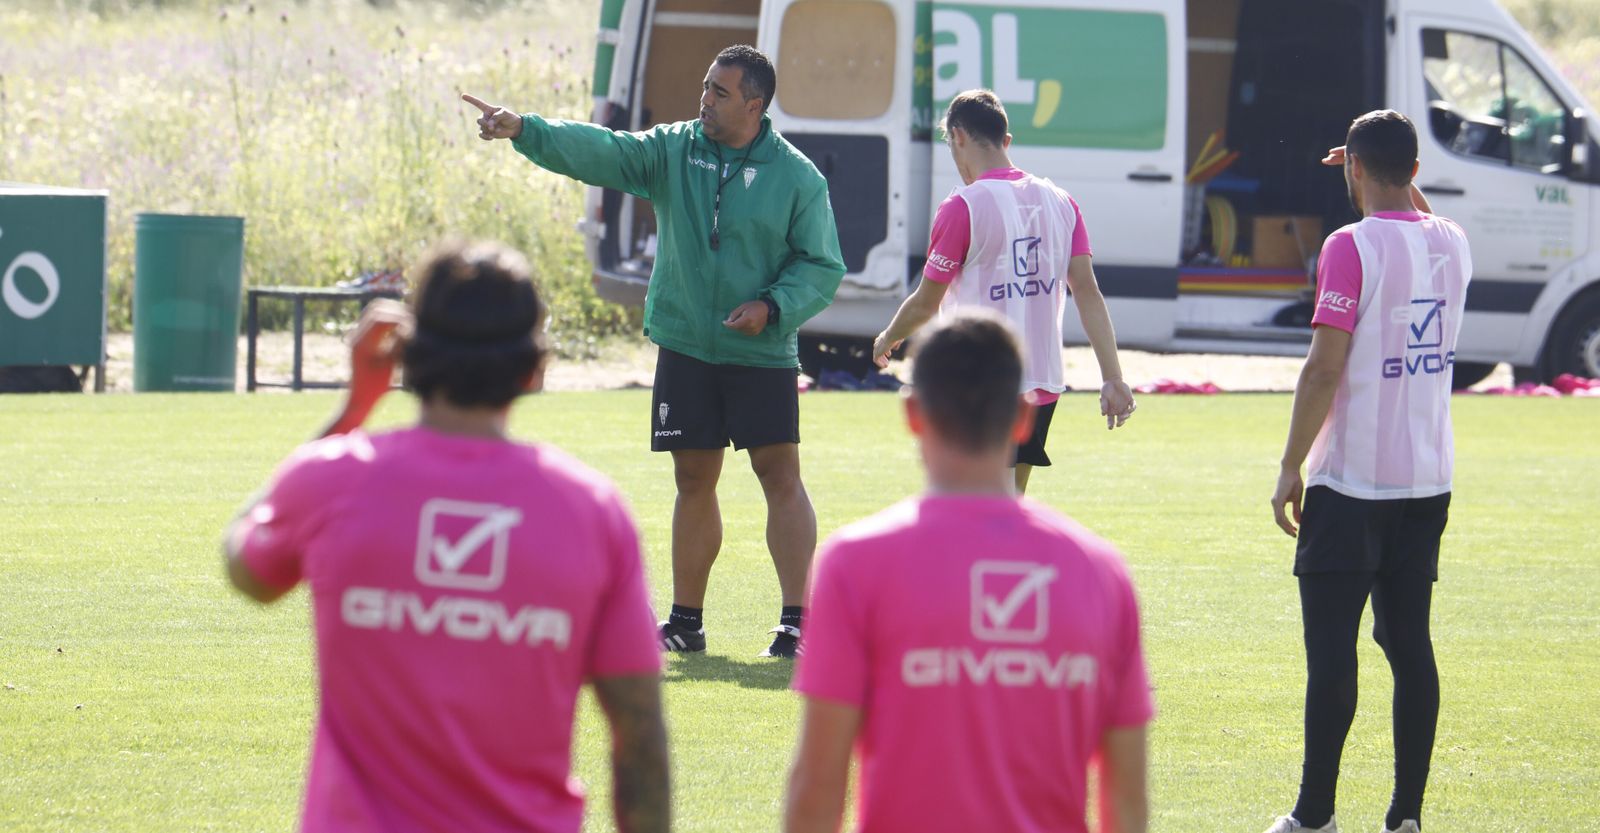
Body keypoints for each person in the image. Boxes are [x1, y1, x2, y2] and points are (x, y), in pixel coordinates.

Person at [223, 240, 669, 833]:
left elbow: (246, 568)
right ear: (535, 368)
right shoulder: (591, 511)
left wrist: (353, 411)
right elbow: (639, 737)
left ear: (406, 353)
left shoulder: (331, 480)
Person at [463, 44, 845, 658]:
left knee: (779, 477)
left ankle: (796, 624)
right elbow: (604, 150)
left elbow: (822, 266)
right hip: (686, 343)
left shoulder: (797, 176)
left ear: (754, 105)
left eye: (720, 92)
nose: (705, 100)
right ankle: (686, 624)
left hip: (761, 351)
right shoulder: (673, 148)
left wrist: (772, 308)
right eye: (706, 86)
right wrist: (526, 130)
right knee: (693, 478)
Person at [786, 311, 1153, 833]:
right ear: (1024, 418)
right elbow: (1127, 799)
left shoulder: (855, 563)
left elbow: (818, 787)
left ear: (913, 414)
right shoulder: (1100, 573)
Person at [1265, 110, 1471, 833]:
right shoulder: (1452, 241)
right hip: (1428, 480)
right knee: (1410, 645)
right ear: (1416, 171)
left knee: (1332, 653)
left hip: (1352, 480)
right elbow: (1421, 221)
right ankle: (1405, 817)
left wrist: (1290, 464)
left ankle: (1314, 815)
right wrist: (1381, 169)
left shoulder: (1348, 246)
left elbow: (1324, 367)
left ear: (1352, 168)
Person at [871, 89, 1136, 494]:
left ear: (957, 136)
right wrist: (1113, 377)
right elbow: (1087, 291)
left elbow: (927, 302)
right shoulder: (1062, 202)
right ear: (1005, 141)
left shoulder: (962, 206)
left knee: (965, 504)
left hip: (975, 382)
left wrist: (889, 336)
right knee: (1008, 505)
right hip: (1042, 383)